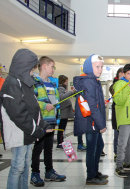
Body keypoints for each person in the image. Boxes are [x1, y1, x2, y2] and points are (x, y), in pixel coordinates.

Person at [0, 49, 53, 189]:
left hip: (28, 133)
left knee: (25, 166)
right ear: (23, 66)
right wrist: (37, 130)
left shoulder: (25, 83)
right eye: (31, 68)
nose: (32, 72)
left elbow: (34, 108)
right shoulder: (11, 83)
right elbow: (18, 113)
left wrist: (44, 124)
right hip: (19, 132)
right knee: (17, 167)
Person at [31, 56, 66, 187]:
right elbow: (32, 101)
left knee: (49, 148)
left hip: (51, 121)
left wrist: (55, 106)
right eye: (52, 66)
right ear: (44, 66)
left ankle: (49, 171)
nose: (53, 69)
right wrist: (44, 106)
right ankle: (35, 173)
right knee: (38, 148)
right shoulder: (35, 82)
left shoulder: (52, 84)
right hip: (40, 122)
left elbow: (55, 100)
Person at [73, 55, 108, 185]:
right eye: (97, 66)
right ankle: (91, 176)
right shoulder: (89, 81)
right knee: (92, 149)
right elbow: (92, 106)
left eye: (101, 66)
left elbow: (95, 102)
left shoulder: (93, 80)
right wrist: (101, 124)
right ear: (89, 67)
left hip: (93, 121)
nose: (100, 69)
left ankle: (95, 172)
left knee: (99, 146)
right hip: (91, 122)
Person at [56, 75, 75, 149]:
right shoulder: (60, 88)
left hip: (65, 113)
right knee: (61, 128)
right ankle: (60, 142)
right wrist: (71, 92)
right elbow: (62, 97)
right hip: (63, 113)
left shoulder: (63, 88)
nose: (67, 83)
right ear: (63, 81)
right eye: (66, 81)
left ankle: (61, 141)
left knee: (63, 128)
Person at [109, 67, 124, 161]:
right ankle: (116, 153)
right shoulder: (114, 86)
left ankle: (123, 153)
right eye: (120, 75)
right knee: (117, 134)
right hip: (117, 113)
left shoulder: (129, 84)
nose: (122, 77)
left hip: (125, 114)